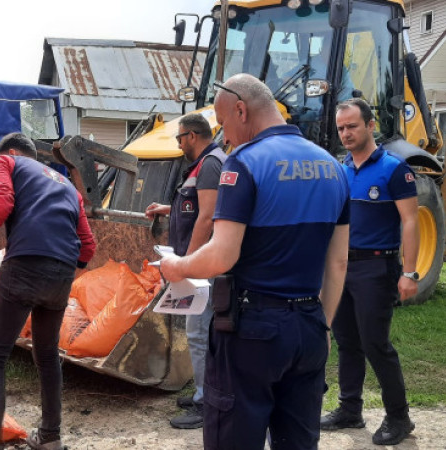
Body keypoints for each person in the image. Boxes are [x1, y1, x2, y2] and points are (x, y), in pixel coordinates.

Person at [160, 73, 350, 450]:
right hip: (309, 325)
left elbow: (221, 254)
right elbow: (339, 262)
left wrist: (177, 267)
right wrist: (322, 326)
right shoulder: (333, 166)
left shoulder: (243, 165)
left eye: (224, 123)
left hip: (253, 332)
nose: (222, 136)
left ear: (242, 110)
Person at [0, 133, 96, 450]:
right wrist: (63, 273)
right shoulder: (69, 186)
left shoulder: (7, 161)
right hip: (60, 275)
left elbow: (1, 204)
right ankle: (50, 438)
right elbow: (88, 245)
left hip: (23, 267)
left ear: (13, 153)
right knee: (46, 357)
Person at [320, 98, 419, 446]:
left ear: (370, 125)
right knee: (347, 342)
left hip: (377, 267)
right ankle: (350, 409)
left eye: (352, 126)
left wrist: (410, 272)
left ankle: (399, 417)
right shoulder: (339, 169)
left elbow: (410, 221)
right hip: (342, 267)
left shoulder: (394, 169)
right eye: (341, 128)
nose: (346, 133)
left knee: (376, 343)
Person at [145, 113, 226, 430]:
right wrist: (169, 209)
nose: (178, 144)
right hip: (200, 263)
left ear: (192, 136)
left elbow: (207, 217)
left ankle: (208, 403)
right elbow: (195, 205)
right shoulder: (204, 164)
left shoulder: (209, 165)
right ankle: (205, 393)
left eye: (179, 138)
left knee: (199, 333)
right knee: (201, 333)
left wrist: (188, 266)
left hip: (202, 266)